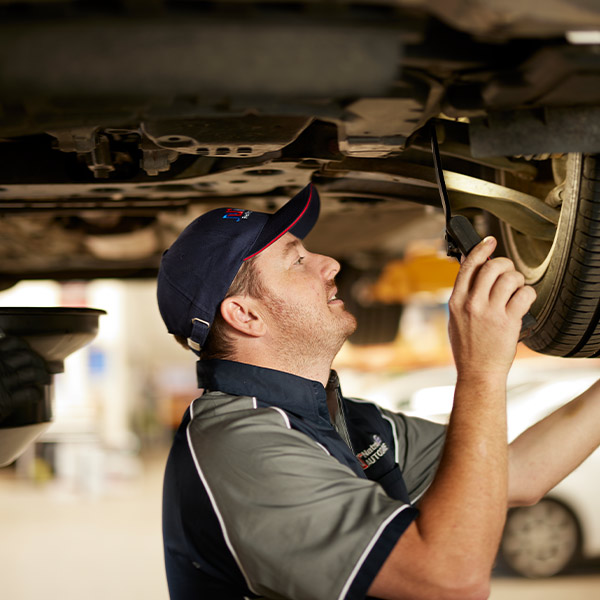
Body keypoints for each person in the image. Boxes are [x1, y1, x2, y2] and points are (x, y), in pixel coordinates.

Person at [157, 183, 600, 600]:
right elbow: (450, 581)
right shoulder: (242, 447)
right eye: (296, 260)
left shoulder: (345, 420)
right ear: (245, 315)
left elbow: (518, 473)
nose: (330, 263)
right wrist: (480, 371)